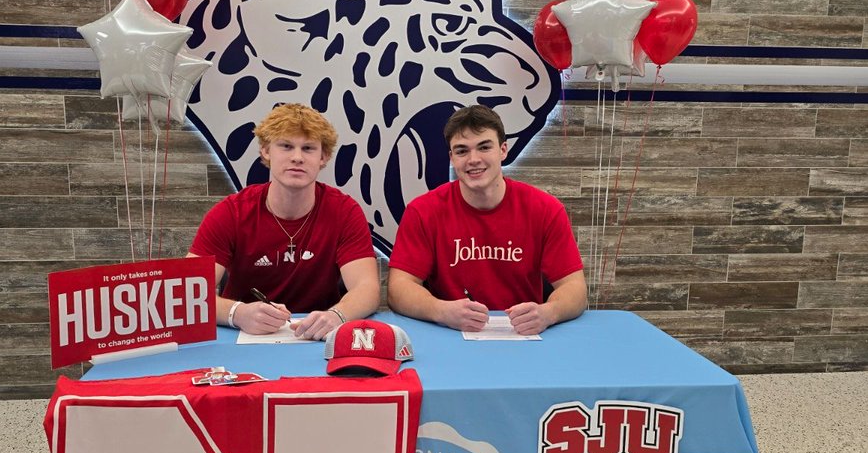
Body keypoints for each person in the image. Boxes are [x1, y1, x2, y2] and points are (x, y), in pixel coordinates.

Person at [387, 105, 586, 334]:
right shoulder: (422, 212)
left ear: (503, 150)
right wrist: (441, 311)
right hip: (450, 336)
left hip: (524, 337)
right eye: (462, 151)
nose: (473, 159)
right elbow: (398, 289)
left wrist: (548, 313)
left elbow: (575, 288)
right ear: (451, 158)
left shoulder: (546, 210)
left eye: (484, 147)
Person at [188, 104, 379, 340]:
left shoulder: (345, 211)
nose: (297, 157)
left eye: (308, 148)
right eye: (286, 146)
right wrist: (237, 313)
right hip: (242, 338)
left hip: (319, 339)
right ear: (266, 151)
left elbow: (367, 288)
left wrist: (337, 315)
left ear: (324, 157)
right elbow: (190, 294)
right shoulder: (230, 213)